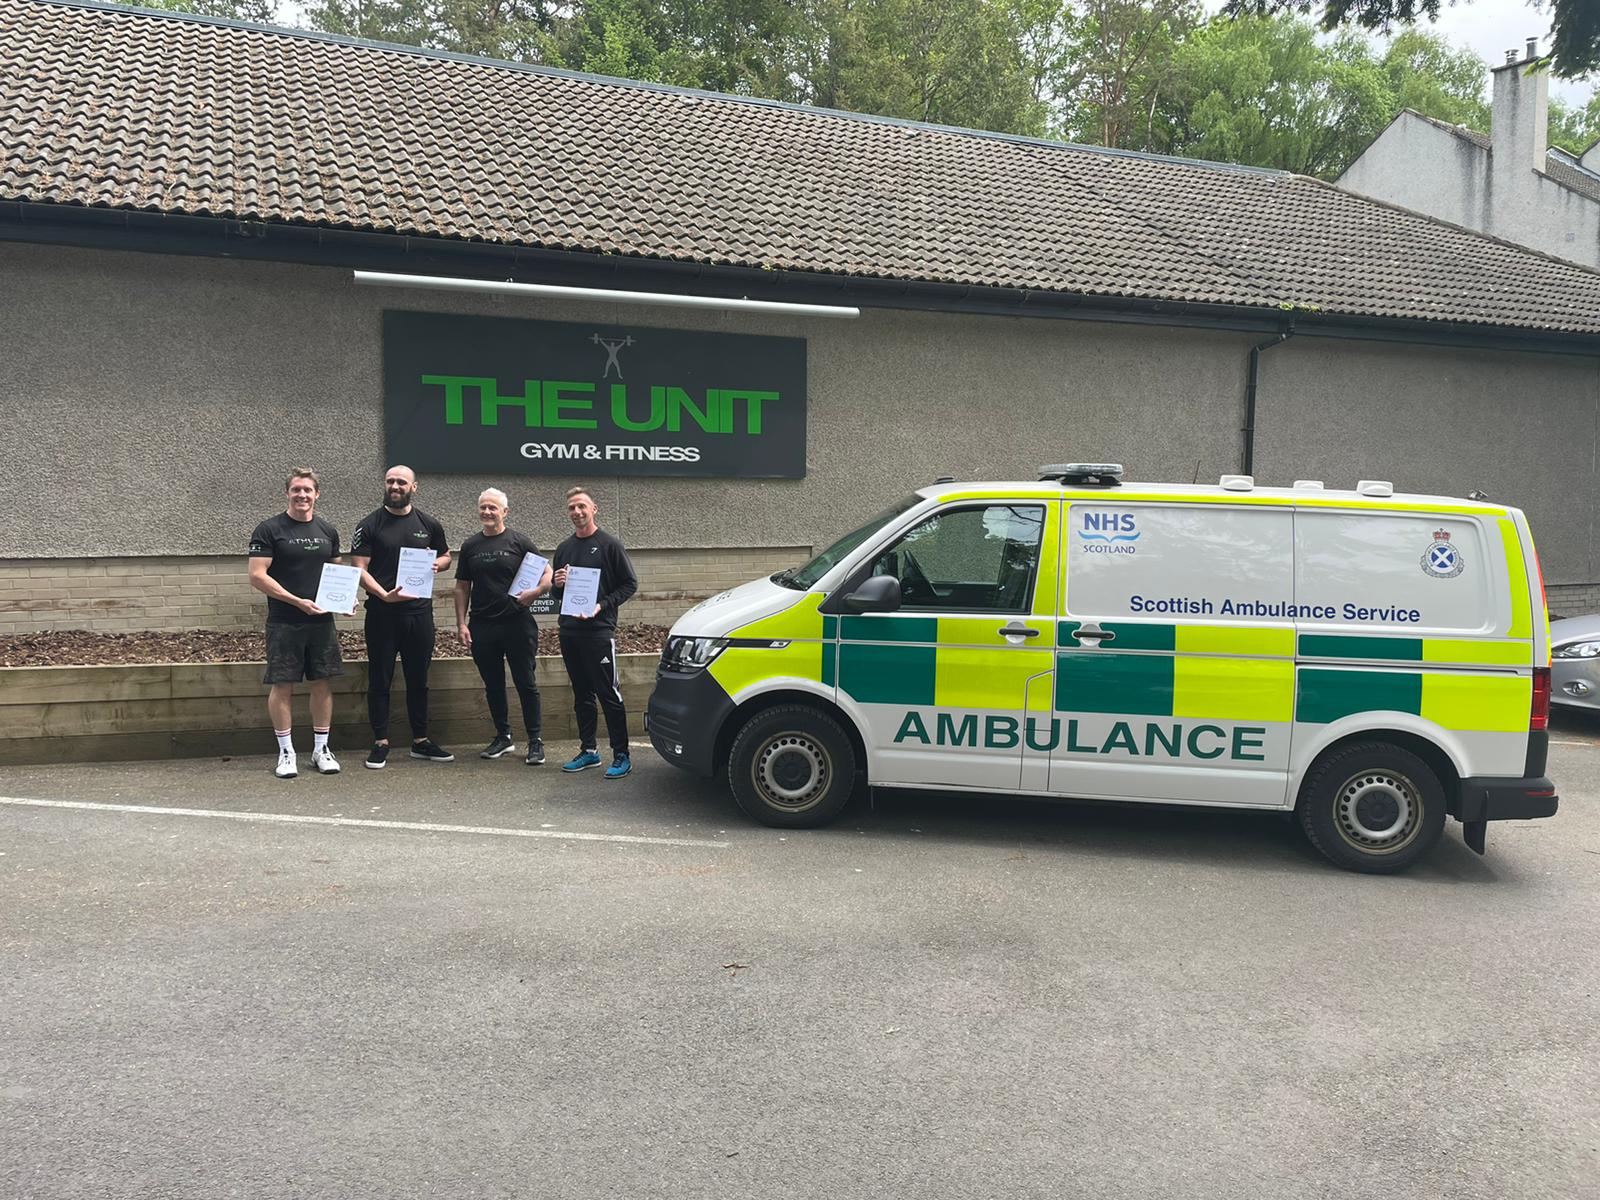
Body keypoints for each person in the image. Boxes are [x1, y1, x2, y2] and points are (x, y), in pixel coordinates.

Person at [350, 465, 452, 769]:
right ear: (385, 484)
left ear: (413, 487)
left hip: (419, 614)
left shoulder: (428, 524)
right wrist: (383, 595)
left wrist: (439, 564)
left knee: (418, 678)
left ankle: (420, 740)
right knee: (380, 678)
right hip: (382, 613)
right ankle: (380, 741)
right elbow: (359, 569)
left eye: (401, 482)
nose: (395, 486)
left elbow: (446, 555)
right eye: (390, 481)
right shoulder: (368, 525)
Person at [247, 468, 343, 779]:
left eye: (308, 490)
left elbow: (337, 575)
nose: (302, 495)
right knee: (283, 685)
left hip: (321, 622)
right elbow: (257, 576)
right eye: (296, 489)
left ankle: (321, 749)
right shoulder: (269, 529)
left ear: (317, 494)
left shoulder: (328, 531)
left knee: (322, 682)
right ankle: (286, 752)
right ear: (287, 493)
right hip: (284, 621)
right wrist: (297, 601)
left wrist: (345, 600)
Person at [454, 488, 552, 765]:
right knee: (493, 685)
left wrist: (536, 592)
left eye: (493, 508)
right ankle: (503, 737)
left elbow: (547, 573)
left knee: (526, 683)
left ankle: (535, 740)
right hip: (482, 626)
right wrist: (461, 623)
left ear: (504, 512)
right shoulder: (471, 546)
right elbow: (462, 587)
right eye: (483, 507)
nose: (487, 512)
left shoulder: (519, 542)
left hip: (517, 624)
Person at [551, 486, 638, 778]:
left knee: (608, 693)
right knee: (581, 694)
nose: (576, 512)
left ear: (593, 509)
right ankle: (589, 751)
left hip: (599, 632)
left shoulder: (609, 545)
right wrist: (558, 584)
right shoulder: (564, 549)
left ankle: (621, 755)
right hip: (570, 631)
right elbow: (555, 596)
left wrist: (602, 605)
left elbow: (629, 584)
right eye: (572, 508)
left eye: (581, 507)